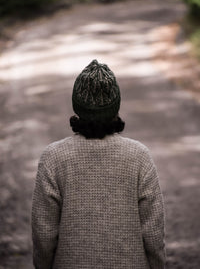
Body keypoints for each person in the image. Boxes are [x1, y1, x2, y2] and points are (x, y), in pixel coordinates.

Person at [32, 59, 166, 269]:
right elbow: (153, 232)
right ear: (115, 106)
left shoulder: (53, 157)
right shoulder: (139, 156)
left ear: (77, 106)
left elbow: (44, 233)